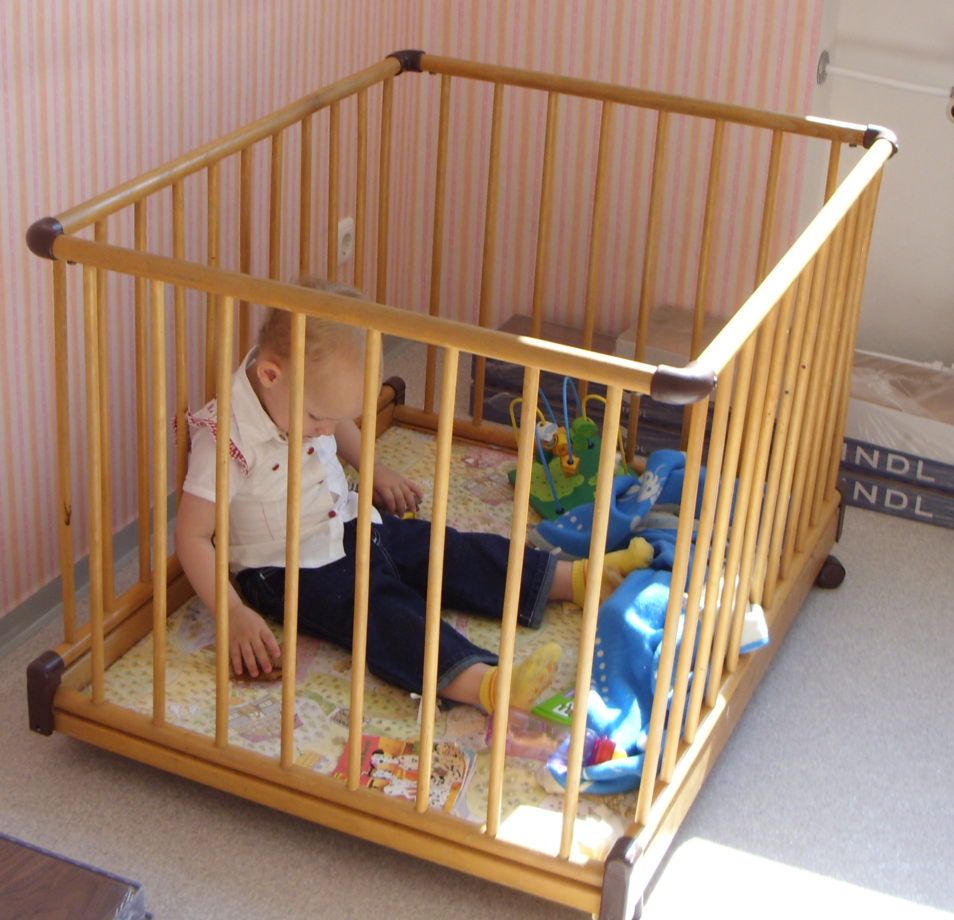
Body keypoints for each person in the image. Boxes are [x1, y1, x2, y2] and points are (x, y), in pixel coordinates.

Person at [174, 278, 652, 713]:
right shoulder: (225, 439)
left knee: (445, 548)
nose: (327, 430)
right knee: (379, 608)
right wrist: (232, 612)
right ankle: (483, 684)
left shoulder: (301, 396)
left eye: (334, 418)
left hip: (351, 520)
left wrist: (374, 470)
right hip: (288, 568)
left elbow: (338, 424)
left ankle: (576, 580)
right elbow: (192, 537)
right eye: (319, 418)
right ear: (270, 375)